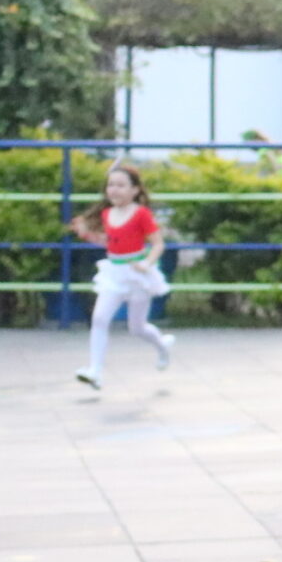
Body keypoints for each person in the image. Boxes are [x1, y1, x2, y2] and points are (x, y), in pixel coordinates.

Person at [70, 162, 174, 391]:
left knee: (136, 327)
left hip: (137, 275)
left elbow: (158, 244)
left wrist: (146, 264)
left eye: (121, 185)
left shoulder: (141, 214)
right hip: (114, 274)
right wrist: (87, 234)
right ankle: (95, 371)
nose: (114, 190)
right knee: (99, 319)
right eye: (111, 185)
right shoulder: (107, 213)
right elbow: (112, 242)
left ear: (135, 190)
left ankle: (162, 346)